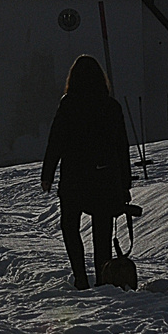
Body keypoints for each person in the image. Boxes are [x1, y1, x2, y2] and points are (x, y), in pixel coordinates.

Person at [40, 54, 132, 289]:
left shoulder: (69, 104)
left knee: (70, 227)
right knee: (102, 234)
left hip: (74, 179)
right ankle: (102, 279)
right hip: (105, 179)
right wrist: (124, 184)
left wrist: (48, 173)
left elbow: (56, 141)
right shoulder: (112, 107)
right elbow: (122, 147)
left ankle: (80, 277)